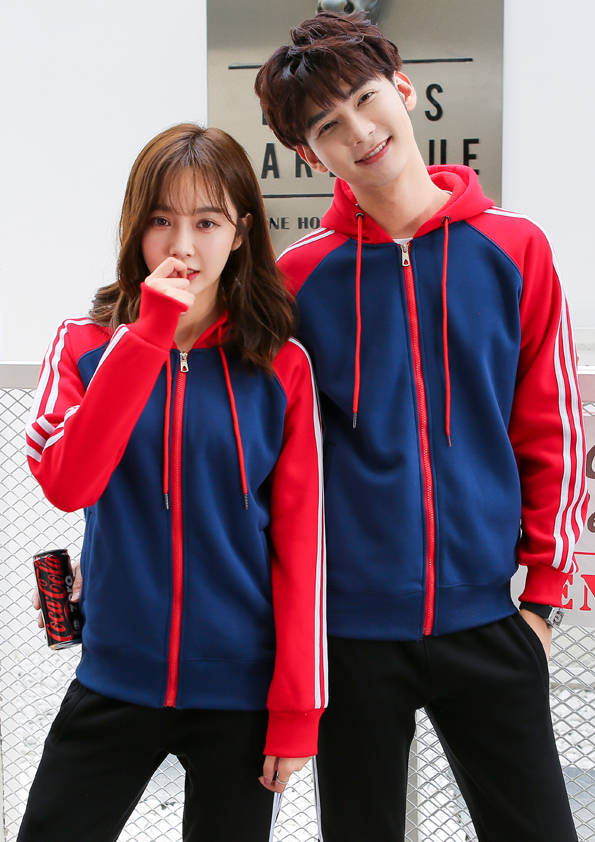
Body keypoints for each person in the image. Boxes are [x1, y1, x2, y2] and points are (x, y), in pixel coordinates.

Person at [255, 12, 587, 842]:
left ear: (402, 90)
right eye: (327, 126)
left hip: (488, 621)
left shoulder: (514, 248)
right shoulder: (299, 278)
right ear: (309, 155)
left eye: (365, 99)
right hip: (350, 634)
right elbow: (273, 457)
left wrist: (542, 602)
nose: (358, 131)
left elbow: (550, 427)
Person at [22, 123, 327, 842]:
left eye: (207, 222)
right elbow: (68, 483)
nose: (181, 246)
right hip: (113, 680)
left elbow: (302, 545)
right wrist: (148, 334)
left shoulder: (280, 366)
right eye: (161, 220)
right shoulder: (84, 345)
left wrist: (296, 710)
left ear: (241, 231)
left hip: (240, 695)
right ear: (136, 228)